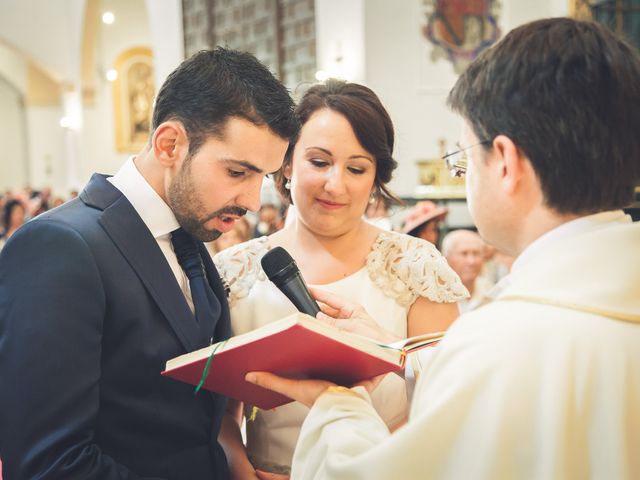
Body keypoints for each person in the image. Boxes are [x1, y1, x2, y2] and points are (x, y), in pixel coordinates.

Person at [245, 18, 640, 479]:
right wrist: (391, 352)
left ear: (506, 163)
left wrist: (340, 402)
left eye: (463, 159)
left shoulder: (502, 340)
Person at [0, 48, 297, 479]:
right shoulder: (60, 246)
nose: (252, 201)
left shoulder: (191, 234)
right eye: (237, 173)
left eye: (262, 178)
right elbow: (49, 463)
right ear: (170, 144)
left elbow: (190, 422)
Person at [213, 79, 467, 477]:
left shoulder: (415, 264)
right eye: (318, 162)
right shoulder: (234, 270)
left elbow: (442, 397)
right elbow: (220, 411)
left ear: (375, 179)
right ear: (287, 162)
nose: (336, 184)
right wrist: (242, 469)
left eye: (356, 168)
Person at [441, 229, 494, 312]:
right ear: (447, 258)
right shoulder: (439, 294)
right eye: (464, 253)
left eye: (476, 253)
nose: (471, 261)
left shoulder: (490, 290)